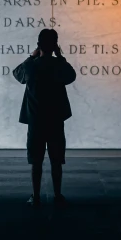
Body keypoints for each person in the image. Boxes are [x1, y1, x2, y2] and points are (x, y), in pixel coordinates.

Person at [13, 28, 76, 208]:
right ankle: (57, 194)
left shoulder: (31, 66)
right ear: (55, 45)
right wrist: (60, 56)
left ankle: (36, 195)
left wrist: (31, 56)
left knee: (36, 161)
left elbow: (17, 74)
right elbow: (71, 76)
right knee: (56, 160)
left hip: (36, 120)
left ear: (39, 45)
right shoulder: (58, 65)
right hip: (55, 120)